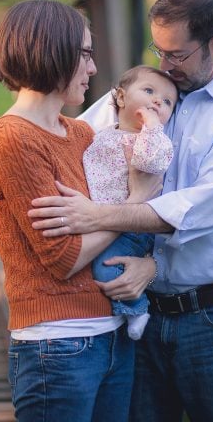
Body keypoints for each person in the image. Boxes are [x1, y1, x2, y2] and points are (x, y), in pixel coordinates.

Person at [6, 0, 213, 422]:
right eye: (158, 51)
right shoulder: (146, 88)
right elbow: (63, 137)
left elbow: (200, 208)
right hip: (140, 317)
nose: (165, 64)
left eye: (176, 54)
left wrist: (102, 218)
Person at [0, 0, 161, 422]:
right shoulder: (10, 138)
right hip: (56, 346)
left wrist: (144, 257)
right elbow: (65, 257)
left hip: (113, 336)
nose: (93, 69)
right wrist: (134, 204)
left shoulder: (78, 132)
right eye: (84, 54)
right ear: (50, 50)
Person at [83, 65, 177, 341]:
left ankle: (136, 310)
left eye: (167, 101)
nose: (158, 101)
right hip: (101, 219)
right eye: (149, 91)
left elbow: (151, 162)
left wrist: (151, 127)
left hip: (132, 227)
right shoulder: (102, 133)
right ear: (121, 98)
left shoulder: (154, 141)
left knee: (105, 266)